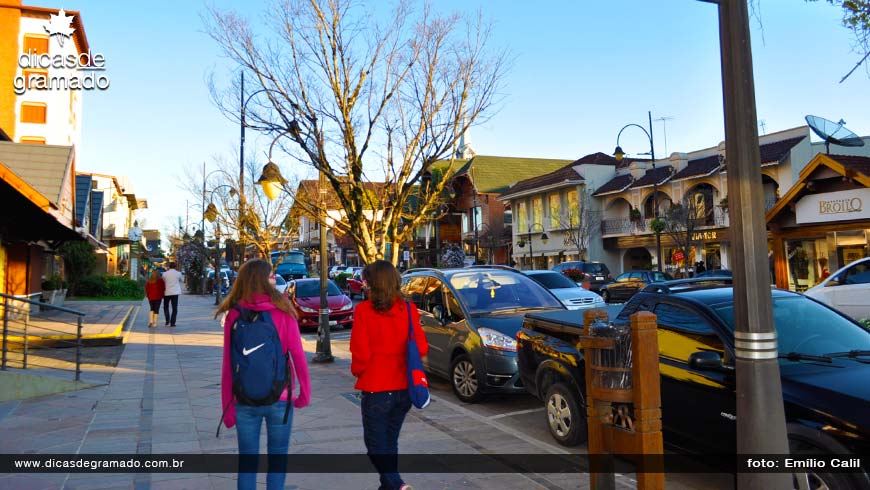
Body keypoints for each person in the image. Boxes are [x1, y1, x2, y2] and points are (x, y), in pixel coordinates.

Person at [217, 259, 310, 490]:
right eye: (272, 275)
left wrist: (227, 407)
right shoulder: (283, 310)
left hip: (243, 400)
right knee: (277, 459)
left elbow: (228, 365)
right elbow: (298, 356)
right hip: (280, 398)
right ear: (265, 280)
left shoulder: (234, 315)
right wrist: (304, 395)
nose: (274, 279)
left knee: (247, 462)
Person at [350, 260, 428, 490]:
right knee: (389, 442)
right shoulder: (409, 310)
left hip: (376, 388)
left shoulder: (364, 311)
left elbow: (360, 352)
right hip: (404, 388)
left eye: (365, 281)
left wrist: (358, 371)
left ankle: (397, 484)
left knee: (375, 446)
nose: (363, 285)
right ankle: (389, 486)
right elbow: (421, 347)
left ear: (373, 284)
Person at [161, 261, 183, 327]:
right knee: (174, 308)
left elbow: (163, 281)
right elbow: (182, 280)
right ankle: (173, 323)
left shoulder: (164, 274)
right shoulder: (178, 273)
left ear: (169, 267)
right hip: (175, 292)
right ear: (175, 267)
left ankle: (167, 320)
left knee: (165, 306)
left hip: (167, 292)